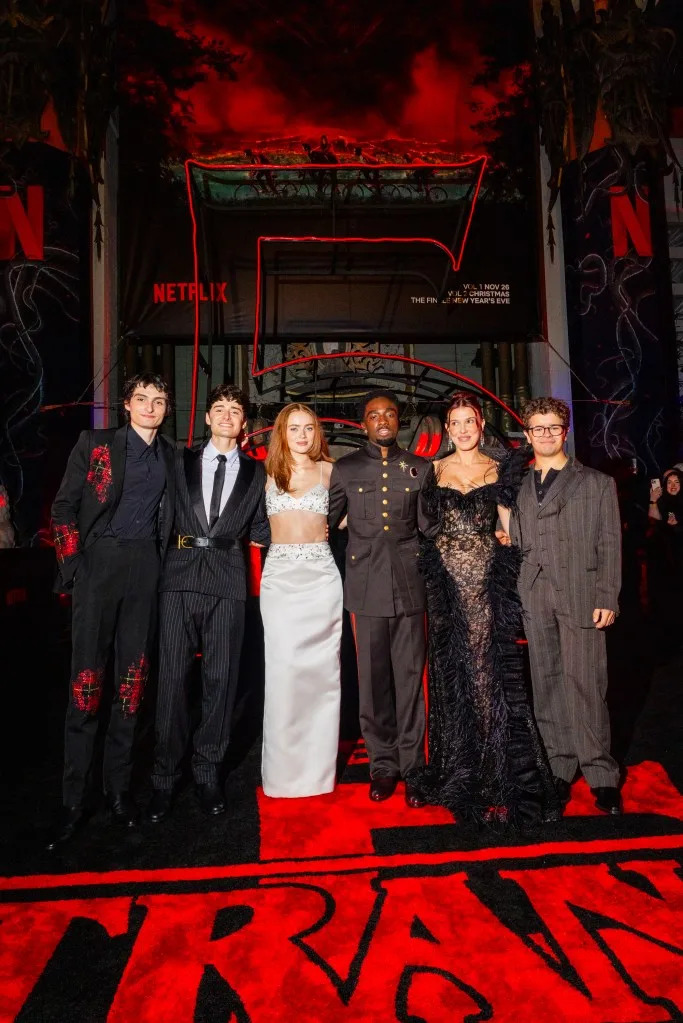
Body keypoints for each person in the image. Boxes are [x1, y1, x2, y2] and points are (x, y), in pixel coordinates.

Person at [414, 393, 560, 826]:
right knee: (452, 671)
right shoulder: (433, 470)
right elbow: (422, 528)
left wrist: (513, 547)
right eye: (455, 422)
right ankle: (462, 763)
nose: (462, 429)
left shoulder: (499, 468)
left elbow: (510, 525)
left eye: (469, 422)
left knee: (489, 670)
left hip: (485, 583)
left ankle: (501, 767)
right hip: (445, 585)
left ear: (481, 425)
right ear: (447, 428)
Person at [48, 373, 176, 847]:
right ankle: (73, 801)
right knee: (86, 685)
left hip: (146, 569)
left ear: (166, 409)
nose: (150, 407)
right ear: (127, 405)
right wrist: (74, 566)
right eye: (142, 399)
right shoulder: (96, 443)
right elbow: (62, 509)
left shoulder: (170, 457)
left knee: (131, 685)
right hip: (98, 567)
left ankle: (118, 792)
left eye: (159, 401)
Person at [147, 384, 269, 822]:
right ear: (206, 418)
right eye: (219, 408)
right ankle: (163, 778)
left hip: (228, 580)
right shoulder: (177, 460)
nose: (226, 416)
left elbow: (261, 527)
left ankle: (207, 771)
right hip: (178, 578)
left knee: (222, 683)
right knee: (172, 682)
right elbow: (159, 515)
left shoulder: (258, 473)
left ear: (244, 425)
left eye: (235, 411)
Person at [508, 397, 623, 815]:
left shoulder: (596, 482)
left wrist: (607, 595)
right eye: (537, 428)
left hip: (581, 594)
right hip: (535, 596)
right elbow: (516, 541)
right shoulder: (518, 485)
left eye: (553, 427)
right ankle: (558, 766)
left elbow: (610, 542)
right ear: (527, 434)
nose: (545, 435)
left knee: (588, 684)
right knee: (548, 683)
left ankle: (601, 774)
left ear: (565, 430)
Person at [328, 388, 434, 807]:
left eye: (390, 413)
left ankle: (414, 767)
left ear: (399, 419)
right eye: (374, 415)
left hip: (410, 585)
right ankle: (383, 765)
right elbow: (325, 526)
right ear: (364, 423)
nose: (383, 420)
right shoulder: (346, 468)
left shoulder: (420, 468)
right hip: (365, 586)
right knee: (373, 684)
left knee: (410, 681)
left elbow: (430, 528)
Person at [260, 404, 342, 797]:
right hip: (279, 579)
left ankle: (317, 773)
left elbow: (350, 518)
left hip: (321, 578)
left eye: (308, 428)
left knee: (322, 674)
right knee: (282, 673)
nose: (302, 435)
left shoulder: (331, 471)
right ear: (282, 432)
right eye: (294, 428)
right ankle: (282, 773)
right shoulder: (265, 472)